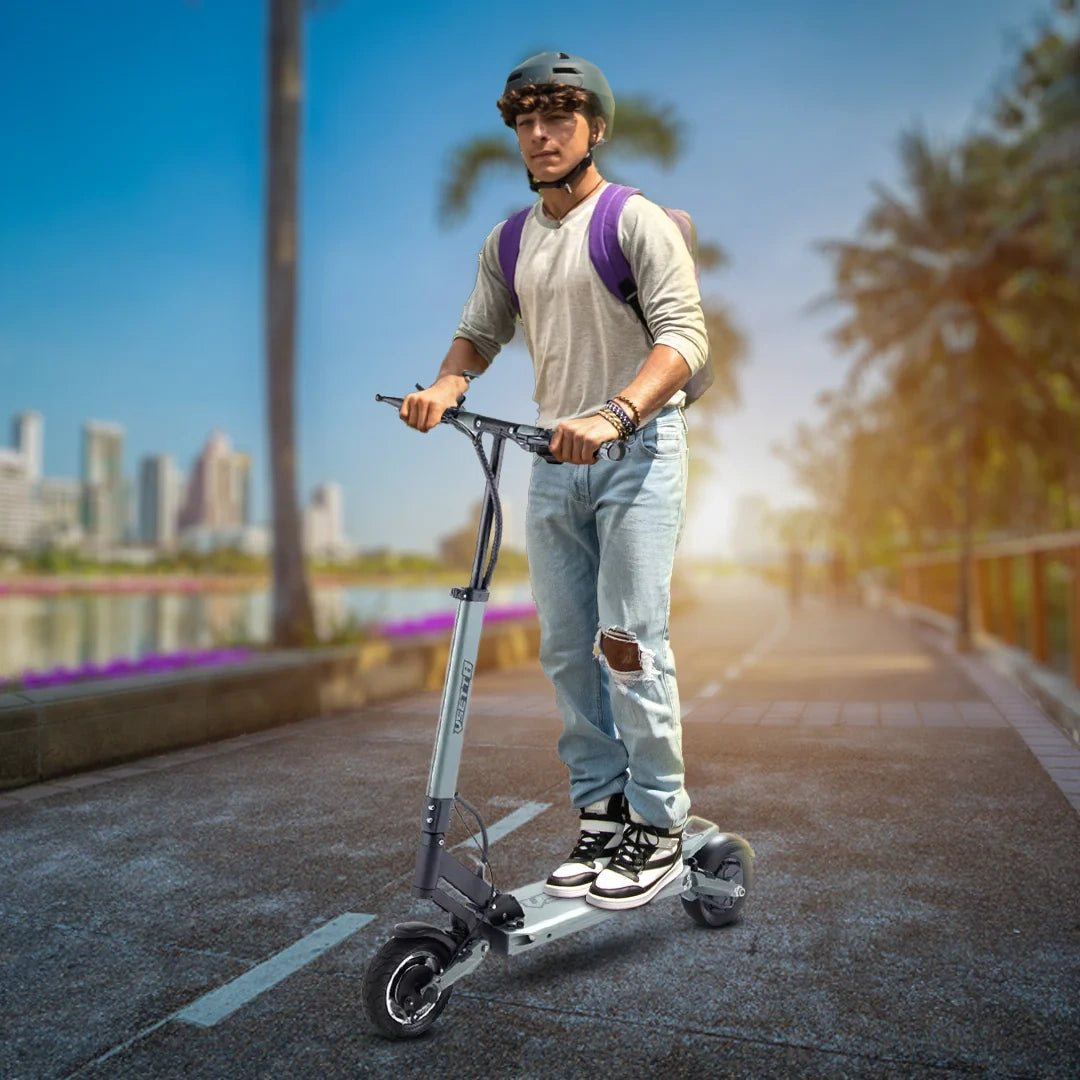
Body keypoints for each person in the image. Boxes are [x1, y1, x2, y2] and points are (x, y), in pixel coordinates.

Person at [400, 52, 709, 910]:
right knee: (568, 650)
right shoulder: (509, 240)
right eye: (527, 121)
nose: (539, 134)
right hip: (552, 466)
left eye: (559, 118)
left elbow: (685, 340)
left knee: (628, 643)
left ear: (594, 128)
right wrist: (446, 386)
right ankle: (602, 814)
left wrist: (615, 414)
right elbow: (478, 331)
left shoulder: (633, 220)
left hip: (636, 458)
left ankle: (659, 822)